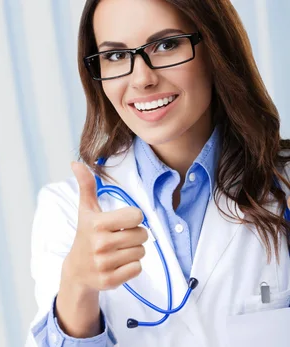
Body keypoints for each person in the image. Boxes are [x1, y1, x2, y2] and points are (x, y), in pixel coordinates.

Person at [26, 0, 290, 346]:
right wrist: (78, 284)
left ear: (215, 48)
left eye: (166, 45)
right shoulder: (66, 211)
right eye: (116, 56)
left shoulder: (281, 184)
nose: (142, 79)